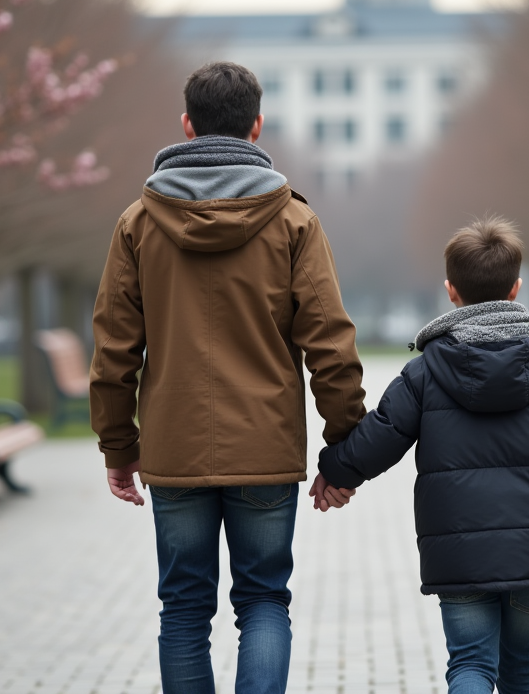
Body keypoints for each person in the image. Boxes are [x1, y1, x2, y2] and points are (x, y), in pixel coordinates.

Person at [89, 61, 364, 693]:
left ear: (187, 126)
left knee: (183, 607)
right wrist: (345, 444)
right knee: (264, 601)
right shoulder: (294, 222)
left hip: (175, 446)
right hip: (265, 449)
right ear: (257, 128)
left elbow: (114, 350)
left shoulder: (137, 224)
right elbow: (329, 341)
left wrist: (118, 447)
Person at [317, 216, 529, 694]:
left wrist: (335, 471)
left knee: (471, 664)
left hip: (459, 552)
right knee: (524, 667)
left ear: (451, 291)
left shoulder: (426, 371)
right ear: (515, 289)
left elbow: (381, 436)